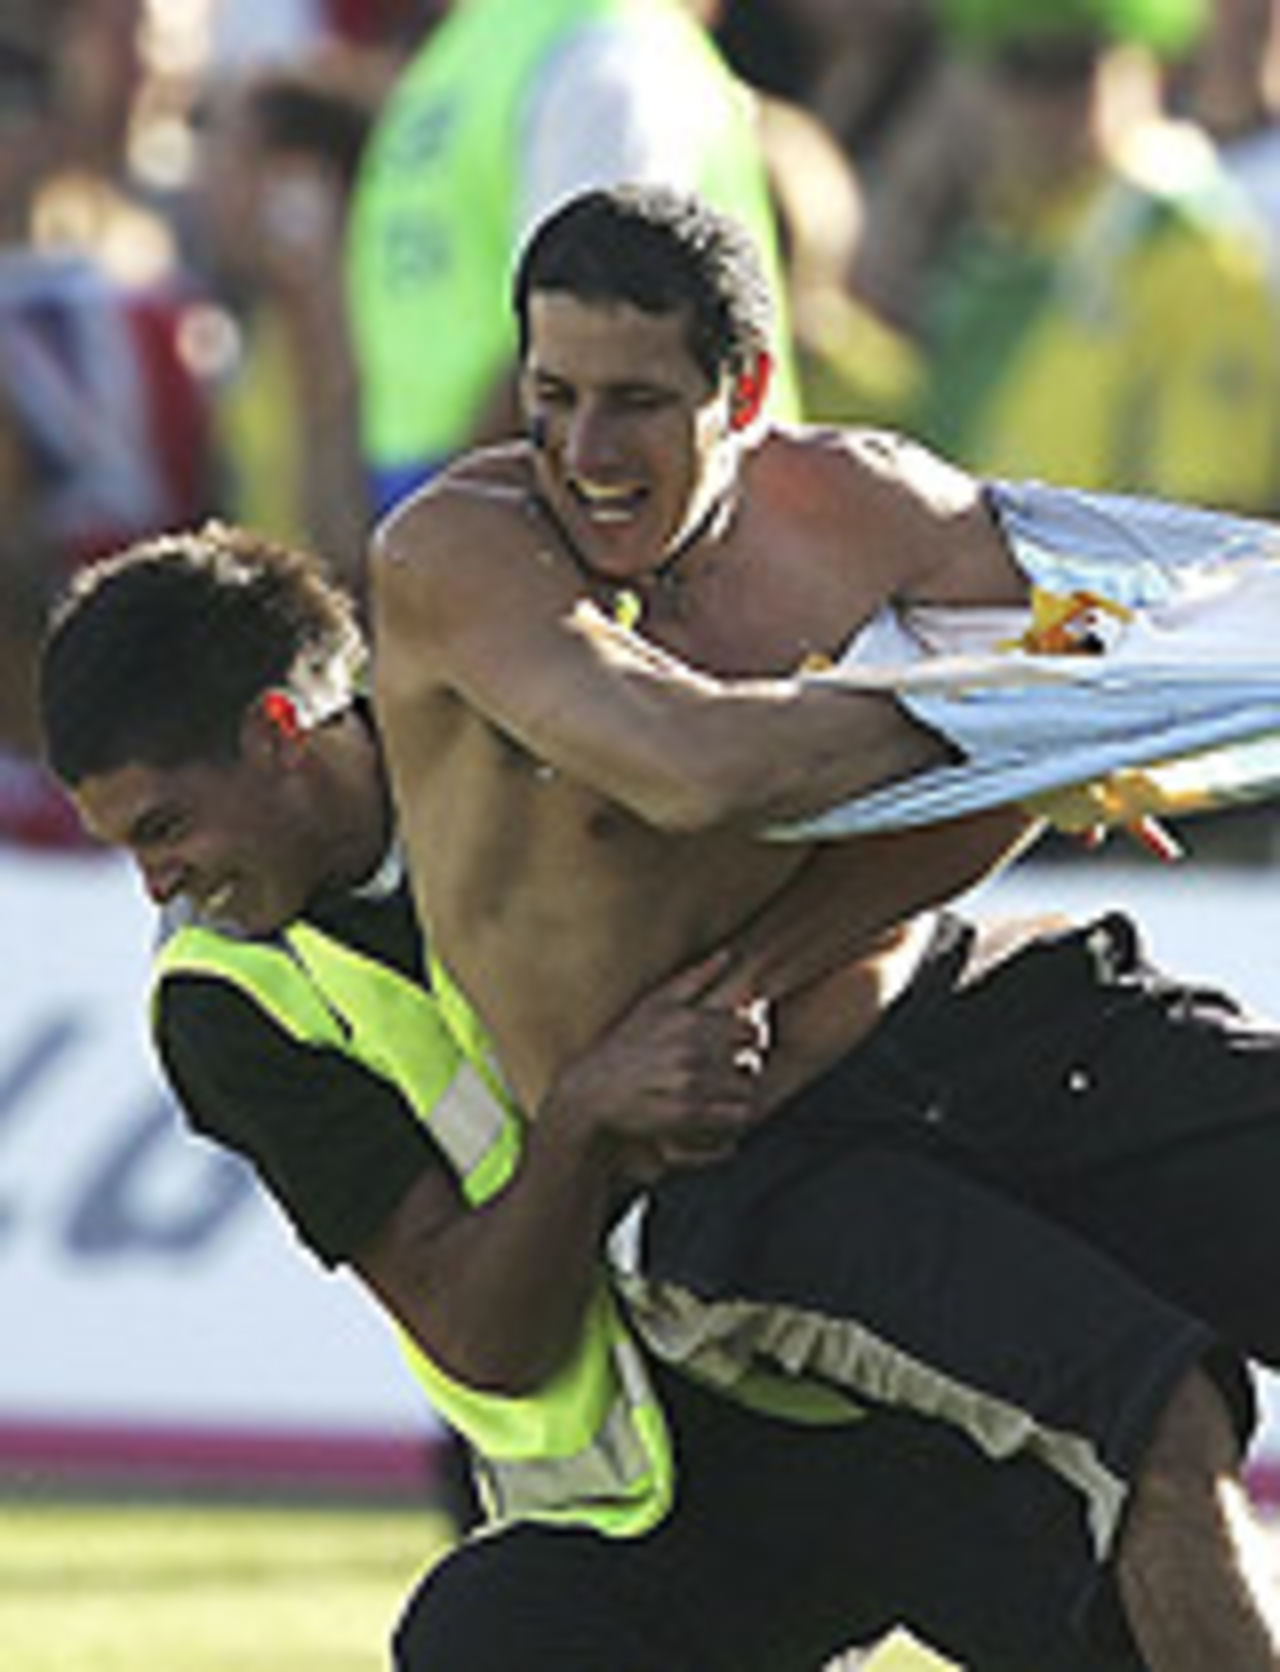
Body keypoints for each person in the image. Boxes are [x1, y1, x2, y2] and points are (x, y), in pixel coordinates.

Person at [368, 181, 1280, 1669]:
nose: (586, 457)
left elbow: (1017, 789)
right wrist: (1046, 717)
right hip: (737, 1172)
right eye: (554, 399)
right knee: (1161, 1417)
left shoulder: (877, 504)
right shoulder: (456, 559)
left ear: (747, 389)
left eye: (637, 405)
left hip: (948, 1017)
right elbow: (692, 768)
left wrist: (1042, 742)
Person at [38, 525, 1161, 1672]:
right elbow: (485, 1337)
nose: (155, 884)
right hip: (655, 1515)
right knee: (481, 1635)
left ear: (281, 731)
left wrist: (1055, 747)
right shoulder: (222, 999)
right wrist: (584, 1117)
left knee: (1177, 1580)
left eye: (163, 828)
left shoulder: (536, 732)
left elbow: (846, 777)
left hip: (880, 1370)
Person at [344, 0, 800, 516]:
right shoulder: (497, 40)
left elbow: (613, 326)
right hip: (477, 498)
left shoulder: (611, 56)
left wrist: (461, 523)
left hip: (596, 514)